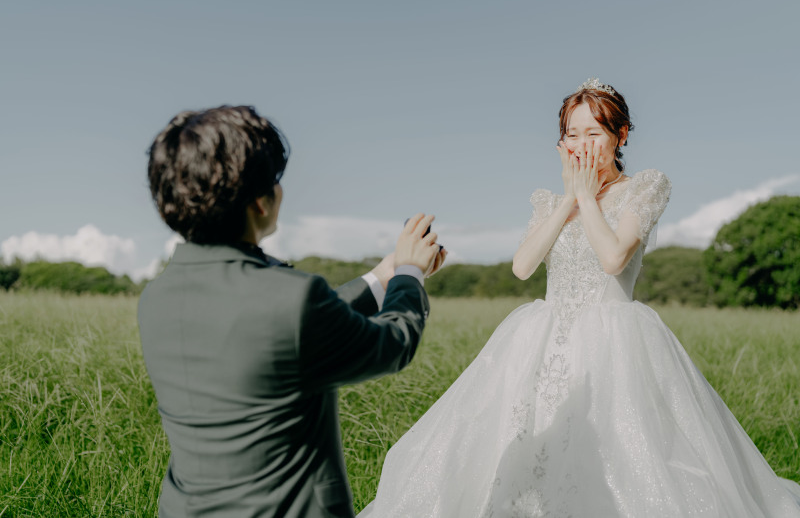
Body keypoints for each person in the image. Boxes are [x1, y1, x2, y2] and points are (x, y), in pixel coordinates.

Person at [358, 79, 800, 517]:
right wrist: (568, 199)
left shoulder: (645, 187)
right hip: (542, 334)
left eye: (594, 133)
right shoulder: (548, 199)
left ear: (621, 135)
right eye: (572, 134)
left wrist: (587, 199)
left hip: (615, 339)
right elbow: (523, 266)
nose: (581, 145)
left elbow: (613, 258)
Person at [137, 105, 447, 518]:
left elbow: (284, 323)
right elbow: (393, 344)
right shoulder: (291, 300)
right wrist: (411, 272)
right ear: (260, 202)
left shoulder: (155, 298)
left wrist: (383, 274)